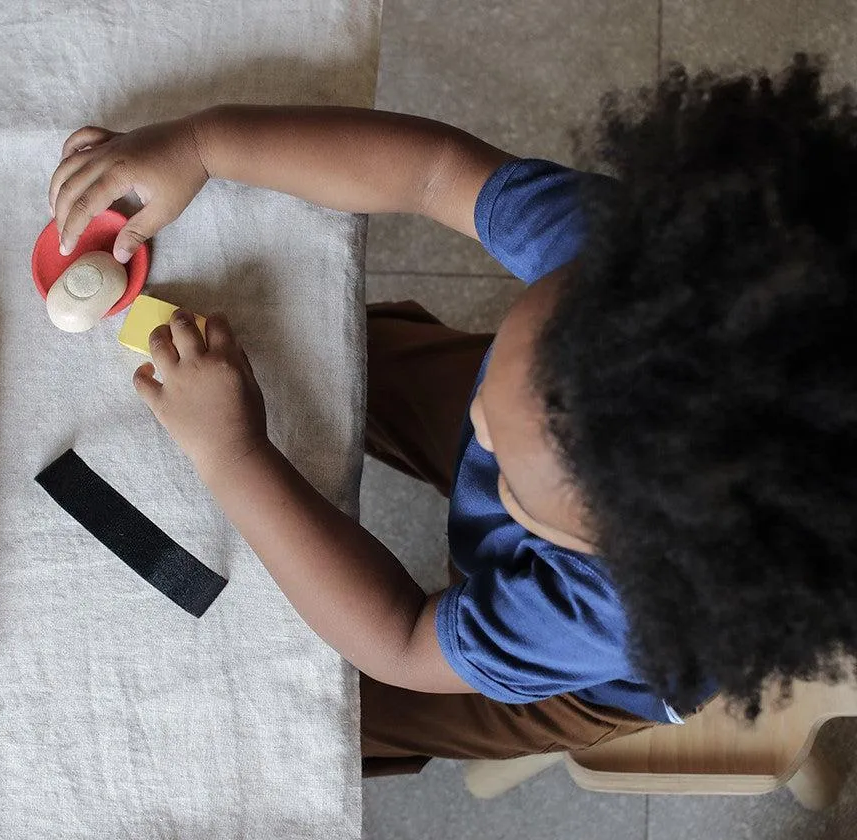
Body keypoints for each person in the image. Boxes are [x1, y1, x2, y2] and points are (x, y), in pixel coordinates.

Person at [48, 55, 857, 775]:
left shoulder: (602, 612)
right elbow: (434, 173)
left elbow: (400, 638)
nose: (480, 425)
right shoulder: (635, 264)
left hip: (578, 672)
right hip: (592, 479)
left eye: (504, 470)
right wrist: (202, 144)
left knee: (303, 696)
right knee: (343, 360)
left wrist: (235, 456)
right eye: (504, 364)